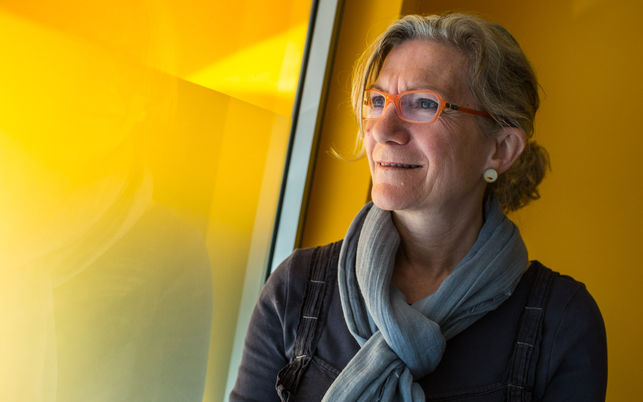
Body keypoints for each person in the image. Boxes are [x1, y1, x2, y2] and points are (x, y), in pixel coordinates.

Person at [230, 13, 607, 402]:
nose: (382, 129)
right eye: (378, 101)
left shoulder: (561, 324)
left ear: (500, 149)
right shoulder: (296, 287)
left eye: (425, 103)